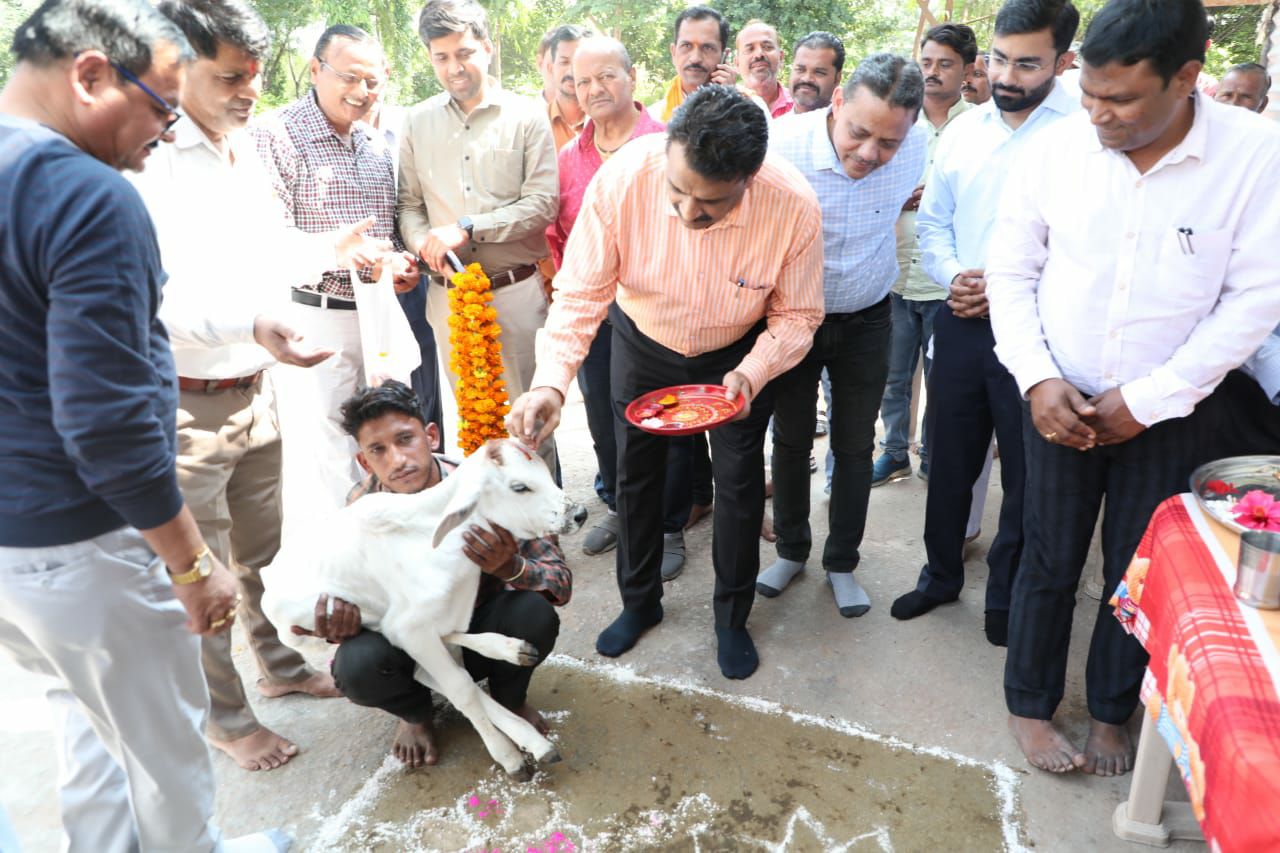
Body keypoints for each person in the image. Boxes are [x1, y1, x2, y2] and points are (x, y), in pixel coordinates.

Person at [0, 0, 287, 847]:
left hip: (18, 543)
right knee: (164, 753)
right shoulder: (85, 194)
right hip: (87, 538)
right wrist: (192, 562)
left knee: (92, 727)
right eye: (161, 106)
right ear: (90, 74)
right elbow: (109, 422)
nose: (164, 133)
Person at [987, 0, 1280, 776]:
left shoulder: (1257, 156)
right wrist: (1037, 376)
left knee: (1136, 568)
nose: (1097, 116)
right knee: (1047, 555)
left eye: (1119, 100)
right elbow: (1012, 272)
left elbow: (1254, 300)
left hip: (1177, 405)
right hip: (1058, 395)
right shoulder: (1054, 151)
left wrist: (1150, 398)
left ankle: (1114, 710)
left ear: (1187, 77)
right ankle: (1029, 702)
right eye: (1087, 94)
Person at [131, 0, 403, 772]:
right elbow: (156, 293)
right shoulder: (147, 160)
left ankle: (278, 670)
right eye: (230, 78)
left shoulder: (243, 148)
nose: (249, 92)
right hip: (186, 397)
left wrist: (329, 245)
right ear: (178, 68)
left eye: (255, 76)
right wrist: (250, 323)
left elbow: (265, 243)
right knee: (203, 569)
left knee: (260, 553)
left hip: (256, 386)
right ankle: (224, 718)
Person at [510, 85, 824, 680]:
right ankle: (640, 603)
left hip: (737, 357)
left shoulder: (793, 205)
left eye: (710, 205)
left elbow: (798, 317)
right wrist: (551, 383)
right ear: (668, 152)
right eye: (677, 192)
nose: (686, 213)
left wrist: (753, 372)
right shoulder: (623, 177)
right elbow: (580, 295)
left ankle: (732, 619)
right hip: (644, 342)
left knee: (735, 487)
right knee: (636, 480)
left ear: (749, 181)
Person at [891, 0, 1080, 649]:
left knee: (1027, 474)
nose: (1007, 74)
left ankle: (1005, 596)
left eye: (1027, 63)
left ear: (1064, 61)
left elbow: (1086, 242)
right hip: (965, 320)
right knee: (948, 459)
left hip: (1042, 334)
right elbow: (936, 223)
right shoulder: (965, 133)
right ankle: (940, 573)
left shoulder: (1082, 133)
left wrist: (1009, 291)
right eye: (1000, 58)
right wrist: (953, 278)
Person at [291, 382, 569, 768]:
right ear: (364, 462)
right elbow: (358, 599)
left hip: (481, 635)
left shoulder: (487, 481)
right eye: (379, 450)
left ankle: (510, 700)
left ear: (431, 435)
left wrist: (512, 567)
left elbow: (559, 580)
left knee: (534, 616)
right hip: (417, 646)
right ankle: (416, 715)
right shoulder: (362, 507)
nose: (398, 459)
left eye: (405, 439)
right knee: (354, 666)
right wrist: (338, 625)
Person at [759, 54, 926, 617]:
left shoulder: (918, 143)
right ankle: (791, 550)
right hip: (793, 318)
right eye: (859, 133)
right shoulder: (780, 146)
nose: (869, 154)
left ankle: (842, 562)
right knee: (792, 439)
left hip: (869, 317)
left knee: (856, 446)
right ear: (836, 103)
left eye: (888, 143)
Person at [253, 24, 418, 538]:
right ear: (316, 69)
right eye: (350, 77)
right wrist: (334, 251)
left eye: (373, 82)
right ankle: (356, 559)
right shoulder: (275, 134)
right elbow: (268, 235)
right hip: (315, 316)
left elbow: (385, 234)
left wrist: (400, 265)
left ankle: (399, 540)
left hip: (379, 315)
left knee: (390, 435)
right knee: (333, 448)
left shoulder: (374, 142)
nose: (362, 92)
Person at [545, 37, 693, 566]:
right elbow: (558, 236)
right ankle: (620, 507)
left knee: (665, 417)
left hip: (658, 312)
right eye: (581, 81)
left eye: (605, 76)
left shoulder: (669, 143)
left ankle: (670, 525)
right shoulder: (568, 157)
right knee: (607, 419)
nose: (593, 90)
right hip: (595, 314)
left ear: (633, 76)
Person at [399, 0, 560, 477]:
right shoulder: (417, 121)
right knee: (476, 422)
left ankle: (544, 543)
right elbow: (408, 205)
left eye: (465, 53)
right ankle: (494, 542)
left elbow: (541, 204)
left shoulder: (527, 116)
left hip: (514, 292)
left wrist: (467, 227)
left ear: (487, 48)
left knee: (529, 424)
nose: (454, 67)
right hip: (448, 299)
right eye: (441, 57)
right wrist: (425, 244)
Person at [872, 23, 977, 486]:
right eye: (927, 62)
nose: (932, 73)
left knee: (943, 383)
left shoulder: (980, 127)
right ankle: (893, 452)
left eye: (945, 64)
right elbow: (867, 184)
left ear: (968, 70)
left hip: (946, 281)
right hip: (895, 274)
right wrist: (896, 199)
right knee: (893, 379)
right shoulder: (898, 121)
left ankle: (935, 455)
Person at [648, 6, 758, 122]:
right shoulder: (653, 118)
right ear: (674, 53)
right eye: (686, 46)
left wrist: (729, 104)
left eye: (707, 48)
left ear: (724, 55)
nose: (695, 59)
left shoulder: (753, 108)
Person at [542, 24, 593, 152]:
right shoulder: (535, 124)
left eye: (579, 62)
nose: (571, 71)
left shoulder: (607, 121)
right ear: (551, 68)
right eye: (564, 62)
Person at [735, 19, 793, 117]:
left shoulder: (802, 107)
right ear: (737, 63)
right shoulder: (725, 109)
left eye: (767, 47)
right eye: (750, 49)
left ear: (781, 58)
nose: (759, 54)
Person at [788, 31, 845, 114]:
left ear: (837, 78)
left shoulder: (848, 125)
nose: (806, 79)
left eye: (819, 72)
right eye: (800, 69)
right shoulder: (774, 126)